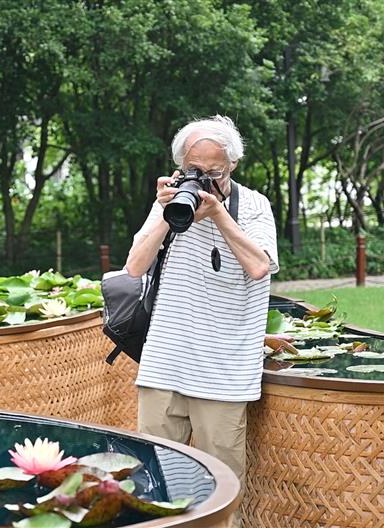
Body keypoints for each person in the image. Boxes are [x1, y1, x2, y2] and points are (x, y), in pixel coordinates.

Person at [124, 115, 278, 527]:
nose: (205, 180)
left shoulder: (254, 205)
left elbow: (259, 267)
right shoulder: (172, 203)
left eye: (215, 172)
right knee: (153, 480)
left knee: (222, 487)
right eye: (196, 171)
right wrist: (163, 211)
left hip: (223, 374)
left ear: (233, 164)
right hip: (164, 365)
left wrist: (219, 215)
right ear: (181, 165)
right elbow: (134, 267)